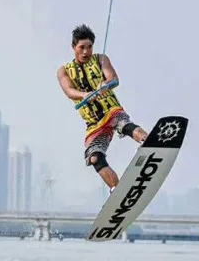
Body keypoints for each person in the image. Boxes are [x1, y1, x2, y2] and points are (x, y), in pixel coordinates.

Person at [56, 24, 149, 193]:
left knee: (123, 124)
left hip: (111, 110)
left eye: (89, 47)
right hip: (94, 123)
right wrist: (83, 95)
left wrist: (104, 86)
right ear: (73, 47)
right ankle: (117, 191)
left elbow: (113, 78)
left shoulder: (101, 59)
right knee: (94, 157)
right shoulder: (64, 71)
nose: (86, 52)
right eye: (81, 47)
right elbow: (68, 90)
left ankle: (148, 142)